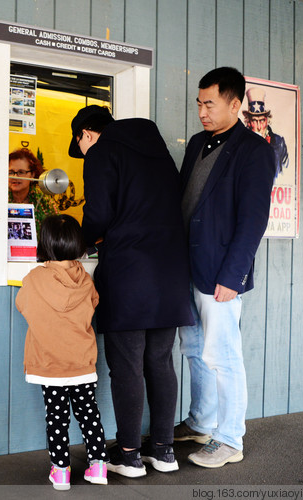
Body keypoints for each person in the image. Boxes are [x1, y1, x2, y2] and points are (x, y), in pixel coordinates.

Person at [69, 105, 193, 478]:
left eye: (82, 145)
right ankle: (163, 451)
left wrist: (76, 242)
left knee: (126, 366)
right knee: (159, 362)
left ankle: (128, 455)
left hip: (130, 271)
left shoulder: (103, 152)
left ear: (86, 135)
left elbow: (100, 213)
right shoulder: (158, 151)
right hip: (170, 271)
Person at [175, 67, 275, 468]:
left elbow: (253, 221)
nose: (201, 111)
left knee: (223, 353)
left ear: (236, 104)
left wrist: (234, 277)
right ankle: (202, 421)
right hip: (186, 267)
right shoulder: (198, 142)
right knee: (195, 349)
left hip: (221, 272)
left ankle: (230, 438)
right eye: (199, 103)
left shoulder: (254, 150)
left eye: (210, 104)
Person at [15, 214, 108, 490]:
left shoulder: (34, 279)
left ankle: (61, 472)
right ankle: (99, 466)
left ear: (45, 244)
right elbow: (93, 304)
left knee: (57, 418)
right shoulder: (86, 279)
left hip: (50, 364)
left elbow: (23, 305)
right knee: (89, 413)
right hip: (81, 364)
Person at [242, 87, 288, 180]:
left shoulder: (279, 142)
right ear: (249, 122)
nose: (259, 127)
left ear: (267, 120)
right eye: (255, 121)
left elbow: (284, 172)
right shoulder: (240, 144)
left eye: (262, 120)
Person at [8, 147, 58, 233]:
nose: (15, 177)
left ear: (32, 175)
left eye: (21, 172)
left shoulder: (45, 202)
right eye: (11, 172)